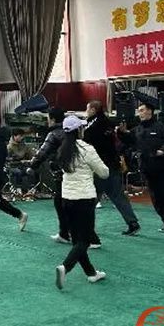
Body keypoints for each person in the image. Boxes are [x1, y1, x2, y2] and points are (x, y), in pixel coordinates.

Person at [54, 115, 109, 290]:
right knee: (84, 240)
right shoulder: (86, 149)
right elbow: (104, 173)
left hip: (67, 198)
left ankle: (91, 273)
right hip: (84, 199)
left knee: (77, 239)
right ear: (79, 130)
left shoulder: (62, 149)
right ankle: (65, 267)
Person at [117, 102, 164, 232]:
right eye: (139, 111)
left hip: (163, 167)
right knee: (156, 198)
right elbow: (128, 141)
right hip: (147, 168)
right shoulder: (137, 129)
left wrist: (163, 150)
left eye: (142, 110)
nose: (140, 113)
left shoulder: (161, 127)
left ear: (150, 111)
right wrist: (122, 133)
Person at [84, 100, 140, 236]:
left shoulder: (91, 127)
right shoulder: (110, 123)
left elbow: (87, 147)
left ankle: (84, 227)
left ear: (93, 110)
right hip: (113, 164)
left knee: (91, 197)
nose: (86, 112)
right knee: (118, 196)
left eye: (87, 109)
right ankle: (132, 223)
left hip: (98, 166)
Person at [28, 107, 68, 243]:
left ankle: (66, 233)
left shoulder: (54, 134)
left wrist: (32, 166)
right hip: (74, 172)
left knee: (60, 203)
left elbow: (42, 152)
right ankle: (68, 232)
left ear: (52, 119)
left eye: (48, 118)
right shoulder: (72, 132)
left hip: (61, 172)